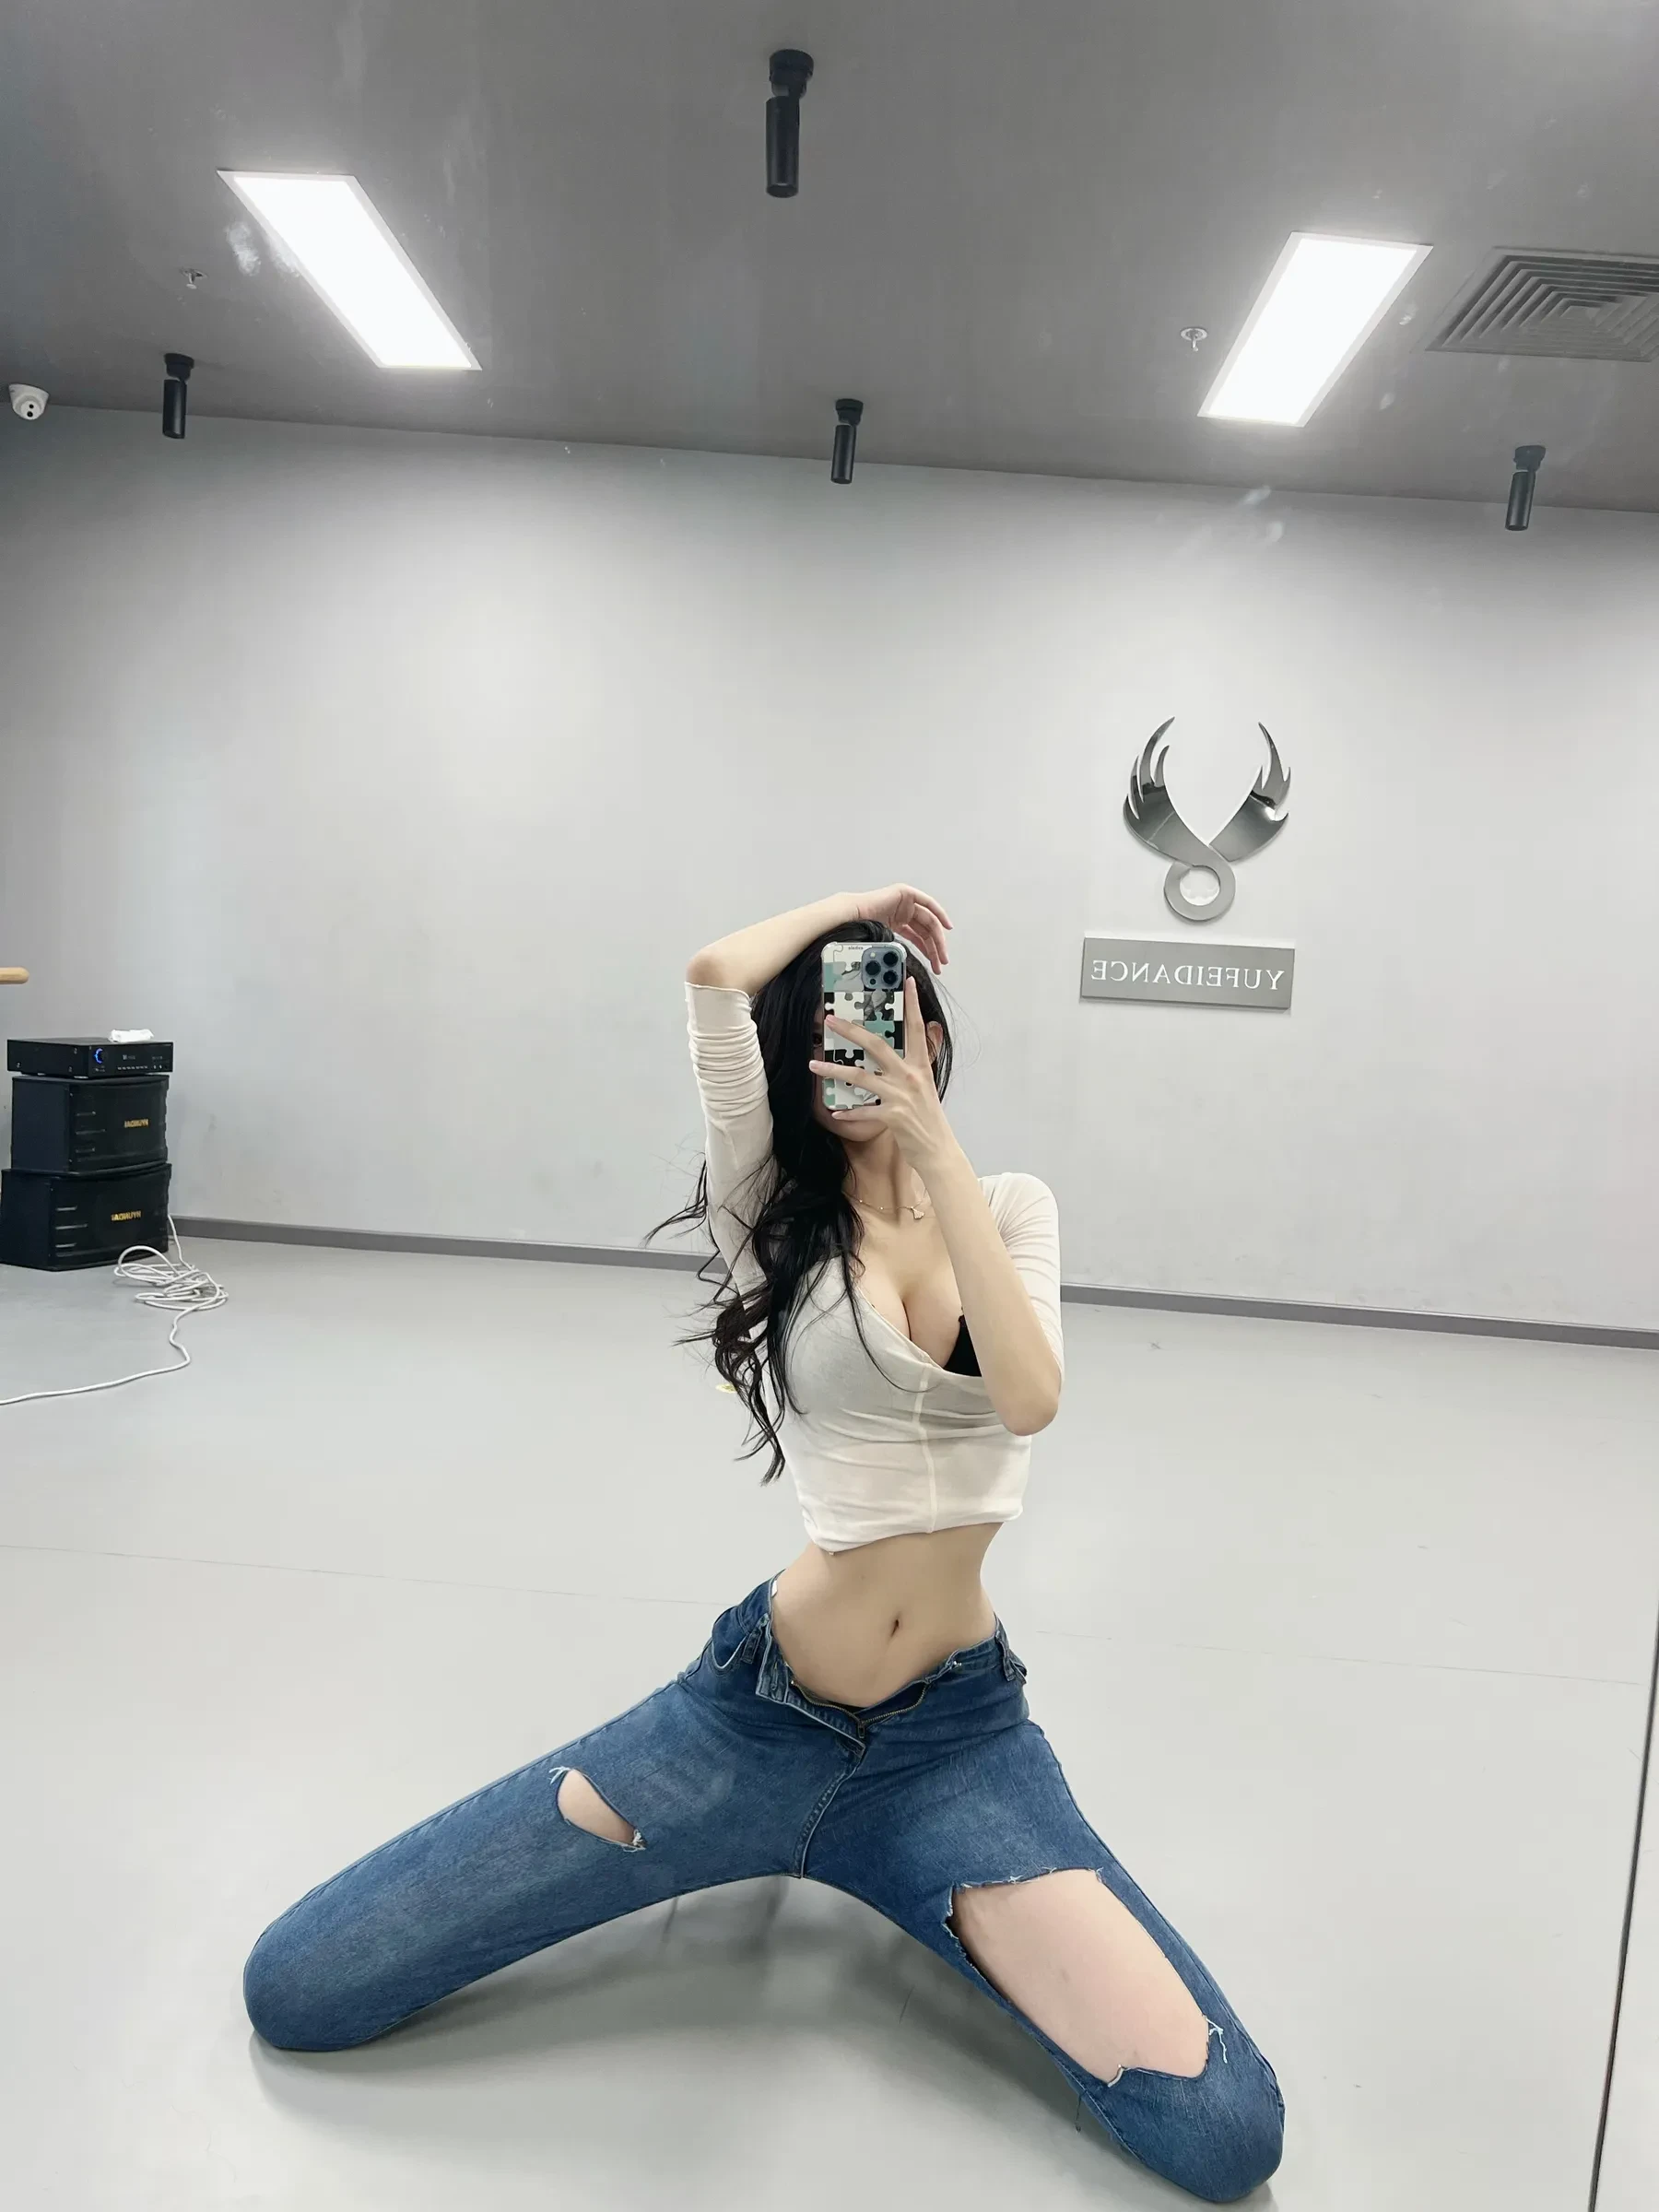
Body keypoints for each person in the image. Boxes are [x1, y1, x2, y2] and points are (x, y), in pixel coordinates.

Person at [242, 885, 1284, 2203]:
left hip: (953, 1749)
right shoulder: (774, 1210)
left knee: (1224, 2132)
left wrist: (934, 1146)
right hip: (748, 1726)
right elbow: (711, 976)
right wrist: (863, 904)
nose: (858, 1052)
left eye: (884, 1021)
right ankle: (799, 1852)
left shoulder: (1012, 1206)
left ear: (932, 1034)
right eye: (828, 1038)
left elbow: (1029, 1396)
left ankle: (905, 1881)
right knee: (304, 1985)